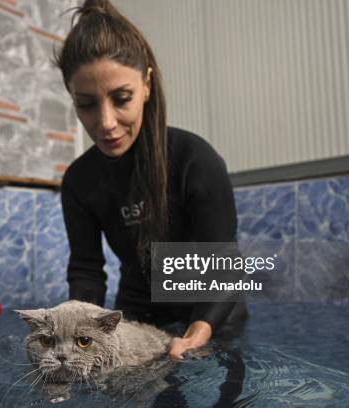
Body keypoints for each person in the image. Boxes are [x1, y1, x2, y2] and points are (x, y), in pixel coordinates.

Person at [56, 0, 247, 361]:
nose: (106, 122)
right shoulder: (79, 181)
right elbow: (86, 270)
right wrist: (73, 332)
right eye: (86, 104)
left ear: (146, 84)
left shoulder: (194, 159)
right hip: (138, 314)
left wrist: (197, 334)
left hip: (212, 315)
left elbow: (225, 264)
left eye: (121, 98)